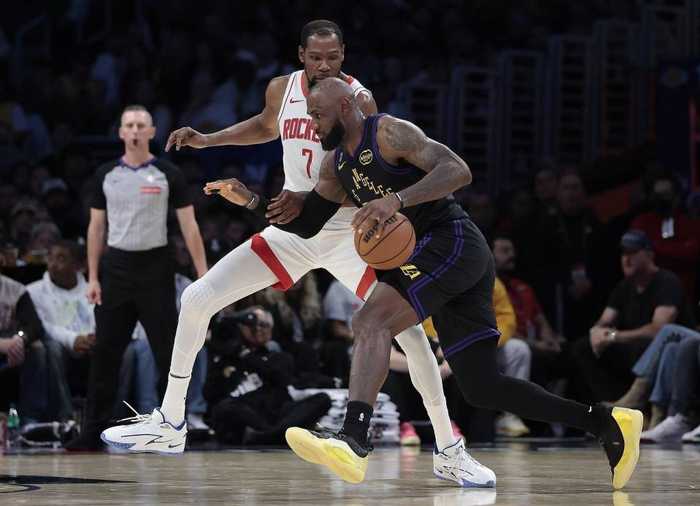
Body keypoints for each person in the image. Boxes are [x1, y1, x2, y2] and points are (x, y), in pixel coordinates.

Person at [100, 20, 490, 487]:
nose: (325, 65)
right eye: (316, 57)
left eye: (333, 58)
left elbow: (364, 174)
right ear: (301, 55)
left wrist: (372, 207)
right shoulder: (280, 90)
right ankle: (170, 421)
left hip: (350, 233)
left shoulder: (358, 100)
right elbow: (265, 126)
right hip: (294, 231)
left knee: (409, 336)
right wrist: (208, 140)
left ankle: (449, 450)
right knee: (198, 297)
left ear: (344, 56)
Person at [207, 77, 642, 489]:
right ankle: (606, 422)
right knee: (481, 386)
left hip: (451, 241)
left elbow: (458, 170)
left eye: (318, 115)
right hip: (426, 257)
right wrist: (251, 200)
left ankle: (353, 439)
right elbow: (306, 226)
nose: (312, 125)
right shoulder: (334, 166)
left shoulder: (389, 133)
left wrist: (396, 199)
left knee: (370, 320)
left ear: (344, 107)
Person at [66, 104, 208, 450]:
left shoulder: (168, 173)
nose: (134, 130)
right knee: (106, 353)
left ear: (151, 132)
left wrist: (204, 275)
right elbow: (96, 228)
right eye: (128, 125)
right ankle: (91, 432)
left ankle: (172, 426)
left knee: (167, 352)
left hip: (156, 268)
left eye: (140, 125)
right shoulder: (105, 175)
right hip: (116, 269)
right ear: (120, 132)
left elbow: (189, 227)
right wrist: (93, 277)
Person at [572, 230, 692, 404]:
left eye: (632, 252)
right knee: (584, 347)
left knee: (645, 348)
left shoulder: (667, 282)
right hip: (633, 345)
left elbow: (659, 331)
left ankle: (634, 404)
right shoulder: (624, 286)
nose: (626, 259)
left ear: (649, 255)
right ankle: (610, 406)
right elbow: (605, 320)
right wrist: (597, 332)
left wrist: (613, 336)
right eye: (623, 253)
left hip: (667, 347)